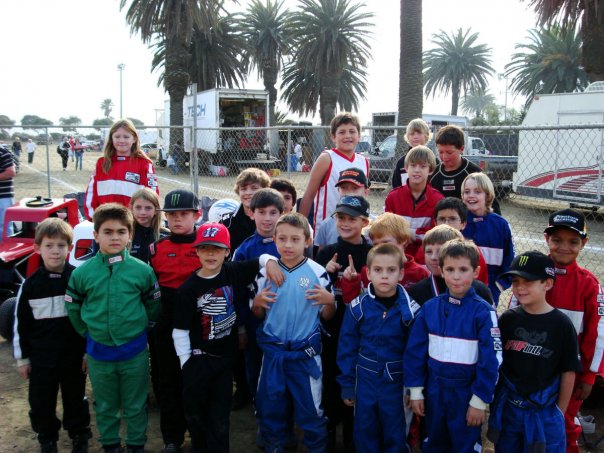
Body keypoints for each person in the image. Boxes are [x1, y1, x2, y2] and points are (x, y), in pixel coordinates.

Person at [172, 222, 282, 453]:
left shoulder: (232, 271)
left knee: (220, 417)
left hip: (224, 361)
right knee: (197, 416)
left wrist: (271, 262)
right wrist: (186, 363)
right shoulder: (188, 290)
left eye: (217, 248)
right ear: (197, 251)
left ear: (227, 252)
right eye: (204, 248)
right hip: (198, 361)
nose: (210, 254)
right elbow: (180, 331)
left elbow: (261, 259)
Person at [65, 203, 161, 453]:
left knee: (135, 404)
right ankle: (110, 445)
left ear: (130, 235)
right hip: (99, 353)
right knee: (106, 404)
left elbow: (153, 305)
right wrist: (88, 333)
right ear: (96, 235)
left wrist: (141, 329)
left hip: (134, 352)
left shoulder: (142, 271)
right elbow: (73, 308)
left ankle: (136, 445)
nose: (115, 237)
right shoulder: (82, 273)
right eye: (108, 232)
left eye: (121, 232)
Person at [517, 209, 603, 453]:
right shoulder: (531, 273)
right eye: (557, 240)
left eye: (573, 241)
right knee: (524, 420)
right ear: (547, 239)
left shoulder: (589, 284)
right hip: (530, 367)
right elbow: (513, 316)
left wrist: (589, 376)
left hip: (569, 375)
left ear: (583, 243)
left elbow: (597, 334)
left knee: (561, 423)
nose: (564, 247)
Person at [404, 239, 501, 453]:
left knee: (464, 446)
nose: (456, 276)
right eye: (450, 269)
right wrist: (416, 391)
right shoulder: (430, 308)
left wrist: (479, 400)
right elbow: (414, 352)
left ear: (476, 272)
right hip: (434, 392)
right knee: (433, 443)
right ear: (442, 271)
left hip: (466, 394)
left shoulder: (484, 312)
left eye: (463, 270)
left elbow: (492, 358)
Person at [252, 213, 336, 452]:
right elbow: (257, 314)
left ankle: (316, 447)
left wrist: (330, 301)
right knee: (271, 406)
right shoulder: (265, 273)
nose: (288, 245)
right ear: (274, 240)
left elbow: (327, 316)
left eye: (295, 239)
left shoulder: (317, 273)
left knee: (311, 409)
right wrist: (257, 303)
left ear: (307, 241)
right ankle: (276, 445)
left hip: (304, 356)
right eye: (282, 239)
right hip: (273, 354)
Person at [487, 251, 581, 452]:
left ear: (547, 283)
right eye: (515, 281)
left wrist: (559, 411)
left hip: (543, 412)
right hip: (510, 407)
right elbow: (498, 363)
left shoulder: (561, 325)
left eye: (528, 281)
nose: (520, 287)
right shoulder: (508, 319)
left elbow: (568, 370)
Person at [13, 218, 92, 453]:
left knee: (75, 399)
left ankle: (79, 435)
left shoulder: (78, 280)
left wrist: (87, 352)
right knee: (41, 402)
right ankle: (47, 438)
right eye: (49, 245)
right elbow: (21, 324)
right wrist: (23, 359)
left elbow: (89, 319)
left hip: (73, 357)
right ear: (37, 248)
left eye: (61, 245)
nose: (55, 251)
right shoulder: (30, 285)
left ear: (70, 248)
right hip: (41, 360)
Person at [337, 243, 418, 452]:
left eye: (391, 270)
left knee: (396, 432)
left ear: (401, 274)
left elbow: (416, 354)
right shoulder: (357, 307)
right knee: (365, 430)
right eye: (378, 270)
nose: (384, 276)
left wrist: (413, 388)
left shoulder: (411, 311)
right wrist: (347, 384)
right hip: (364, 379)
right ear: (368, 273)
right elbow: (347, 348)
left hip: (397, 382)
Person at [315, 195, 373, 451]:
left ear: (365, 222)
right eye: (341, 217)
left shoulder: (370, 253)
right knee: (329, 377)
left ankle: (352, 434)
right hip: (331, 328)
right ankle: (329, 429)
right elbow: (315, 294)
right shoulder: (327, 252)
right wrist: (326, 273)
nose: (345, 223)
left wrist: (357, 281)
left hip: (360, 332)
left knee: (354, 380)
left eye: (352, 219)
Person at [149, 189, 202, 453]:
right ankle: (172, 437)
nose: (177, 219)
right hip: (167, 320)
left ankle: (199, 434)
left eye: (184, 214)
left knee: (197, 380)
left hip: (198, 320)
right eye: (171, 214)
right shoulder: (156, 249)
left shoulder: (207, 245)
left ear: (197, 215)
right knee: (169, 380)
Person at [299, 112, 369, 231]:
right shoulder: (327, 158)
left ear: (359, 136)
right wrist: (300, 228)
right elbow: (309, 195)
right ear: (333, 137)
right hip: (325, 231)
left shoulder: (364, 161)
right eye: (342, 132)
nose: (347, 136)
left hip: (352, 231)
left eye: (352, 131)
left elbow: (363, 196)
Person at [340, 212, 429, 302]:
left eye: (385, 243)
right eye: (376, 244)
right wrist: (351, 282)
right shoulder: (368, 271)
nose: (381, 248)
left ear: (403, 241)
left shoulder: (420, 273)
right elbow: (353, 304)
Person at [84, 119, 158, 220]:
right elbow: (91, 193)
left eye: (126, 137)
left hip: (134, 222)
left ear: (134, 139)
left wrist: (141, 220)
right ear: (111, 138)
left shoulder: (145, 164)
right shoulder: (101, 163)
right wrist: (94, 218)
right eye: (117, 136)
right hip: (105, 221)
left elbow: (153, 194)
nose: (121, 140)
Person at [407, 224, 494, 307]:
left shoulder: (479, 290)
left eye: (440, 251)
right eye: (429, 252)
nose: (433, 257)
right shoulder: (417, 291)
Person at [461, 172, 514, 305]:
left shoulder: (501, 225)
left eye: (477, 191)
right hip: (458, 290)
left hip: (489, 293)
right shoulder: (458, 222)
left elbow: (511, 262)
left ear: (488, 195)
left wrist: (497, 287)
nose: (471, 195)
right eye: (467, 192)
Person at [384, 145, 443, 259]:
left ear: (430, 170)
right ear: (406, 168)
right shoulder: (393, 197)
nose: (417, 170)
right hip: (396, 257)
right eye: (413, 165)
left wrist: (412, 233)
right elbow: (387, 230)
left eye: (423, 166)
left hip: (426, 259)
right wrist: (416, 234)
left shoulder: (438, 200)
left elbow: (436, 235)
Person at [429, 125, 501, 215]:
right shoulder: (433, 174)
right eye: (440, 152)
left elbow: (492, 205)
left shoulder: (474, 173)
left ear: (461, 149)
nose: (444, 156)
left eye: (449, 152)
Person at [418, 196, 489, 285]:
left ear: (463, 224)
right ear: (435, 223)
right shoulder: (425, 249)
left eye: (452, 219)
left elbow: (481, 285)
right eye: (442, 219)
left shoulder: (472, 251)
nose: (446, 223)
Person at [314, 167, 370, 250]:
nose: (349, 192)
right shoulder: (327, 224)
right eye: (344, 188)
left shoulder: (374, 225)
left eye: (355, 188)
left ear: (366, 192)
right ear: (338, 191)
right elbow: (321, 255)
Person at [221, 167, 271, 254]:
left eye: (254, 188)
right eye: (243, 189)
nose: (248, 193)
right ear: (238, 191)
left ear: (265, 190)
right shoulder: (227, 222)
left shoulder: (274, 221)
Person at [129, 188, 169, 264]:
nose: (142, 212)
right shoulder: (125, 233)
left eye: (148, 208)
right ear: (131, 208)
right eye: (138, 207)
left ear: (156, 210)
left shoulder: (165, 235)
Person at [391, 118, 431, 188]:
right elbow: (396, 185)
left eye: (419, 133)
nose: (415, 137)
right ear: (407, 137)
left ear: (426, 135)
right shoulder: (402, 162)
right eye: (412, 134)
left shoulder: (432, 161)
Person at [0, 143, 16, 241]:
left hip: (3, 197)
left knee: (4, 228)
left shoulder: (2, 151)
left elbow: (11, 172)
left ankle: (6, 250)